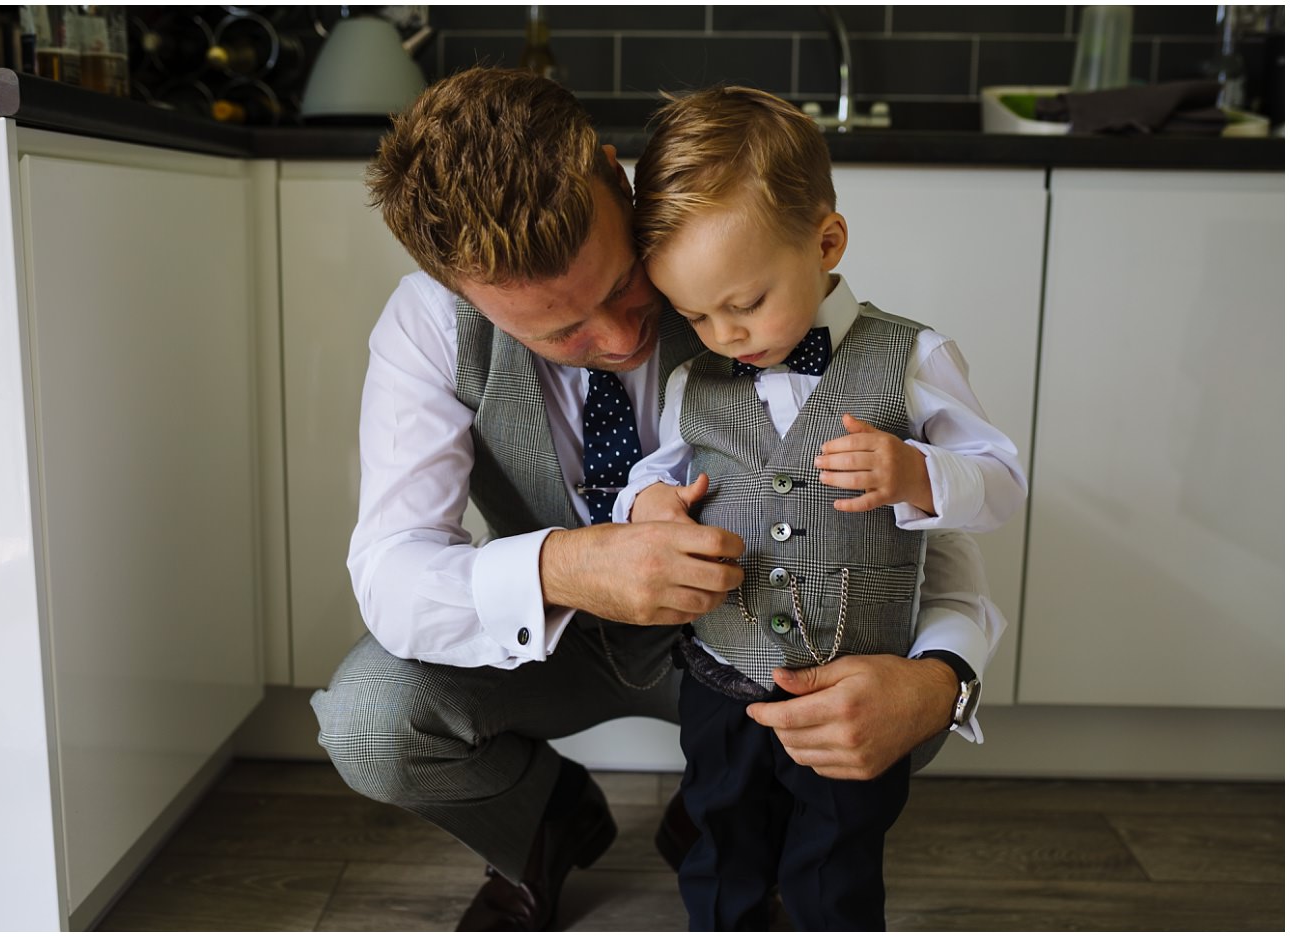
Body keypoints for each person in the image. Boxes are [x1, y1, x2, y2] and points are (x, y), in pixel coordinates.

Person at [308, 67, 1008, 932]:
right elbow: (389, 574)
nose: (619, 337)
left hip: (760, 643)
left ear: (615, 175)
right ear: (463, 290)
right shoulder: (428, 325)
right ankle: (543, 823)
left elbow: (917, 522)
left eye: (619, 286)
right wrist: (572, 564)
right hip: (559, 650)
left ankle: (738, 815)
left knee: (900, 709)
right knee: (371, 723)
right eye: (558, 332)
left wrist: (945, 681)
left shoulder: (736, 269)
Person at [613, 86, 1027, 930]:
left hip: (854, 682)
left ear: (826, 240)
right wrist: (646, 501)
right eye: (695, 313)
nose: (724, 333)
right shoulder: (696, 380)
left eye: (746, 302)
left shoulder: (911, 357)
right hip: (722, 677)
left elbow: (1004, 481)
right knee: (719, 842)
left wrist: (917, 472)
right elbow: (651, 475)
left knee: (836, 862)